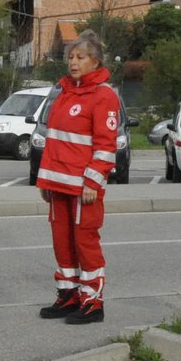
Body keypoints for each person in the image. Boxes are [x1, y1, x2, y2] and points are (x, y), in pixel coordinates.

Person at [35, 31, 120, 325]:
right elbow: (54, 141)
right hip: (58, 185)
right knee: (62, 243)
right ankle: (68, 295)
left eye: (80, 57)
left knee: (86, 243)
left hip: (84, 188)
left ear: (95, 61)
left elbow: (105, 146)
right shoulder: (65, 92)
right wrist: (45, 182)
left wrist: (93, 183)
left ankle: (92, 303)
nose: (73, 62)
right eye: (70, 57)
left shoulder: (104, 95)